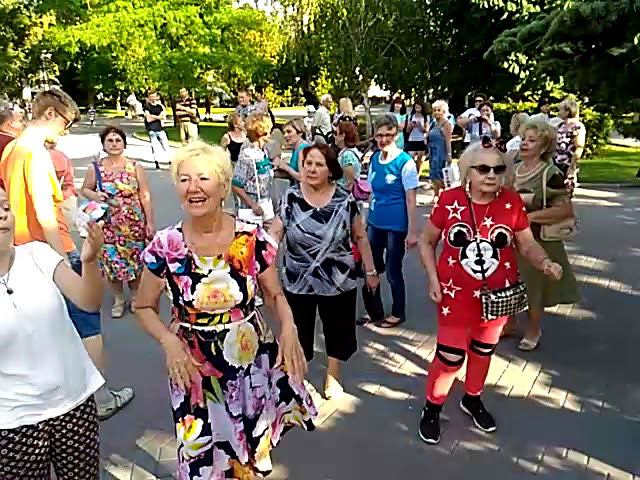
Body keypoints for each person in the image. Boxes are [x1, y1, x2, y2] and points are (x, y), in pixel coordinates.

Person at [134, 141, 316, 479]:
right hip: (194, 366)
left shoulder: (250, 237)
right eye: (184, 179)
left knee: (252, 441)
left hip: (251, 358)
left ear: (223, 186)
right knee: (203, 454)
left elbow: (274, 294)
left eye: (203, 178)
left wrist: (289, 326)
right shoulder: (165, 245)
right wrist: (168, 341)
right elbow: (143, 306)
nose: (193, 187)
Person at [418, 138, 564, 444]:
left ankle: (472, 397)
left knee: (483, 350)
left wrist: (545, 262)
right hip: (455, 296)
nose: (491, 175)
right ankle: (432, 406)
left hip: (497, 296)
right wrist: (432, 278)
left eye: (498, 169)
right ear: (467, 171)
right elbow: (427, 241)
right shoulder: (450, 199)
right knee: (450, 357)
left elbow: (526, 243)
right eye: (483, 168)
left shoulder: (511, 202)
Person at [0, 88, 133, 420]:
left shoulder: (11, 149)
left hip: (22, 249)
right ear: (49, 115)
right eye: (65, 123)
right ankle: (100, 398)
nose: (65, 131)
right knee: (88, 323)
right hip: (50, 250)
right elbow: (44, 210)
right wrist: (61, 261)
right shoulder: (35, 152)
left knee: (54, 327)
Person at [0, 188, 106, 478]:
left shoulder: (38, 254)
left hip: (74, 405)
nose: (3, 215)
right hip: (12, 421)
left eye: (5, 207)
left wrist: (90, 261)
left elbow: (89, 301)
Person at [270, 144, 379, 398]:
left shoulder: (344, 199)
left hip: (338, 279)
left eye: (319, 164)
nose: (311, 169)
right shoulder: (291, 197)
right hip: (298, 279)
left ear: (330, 170)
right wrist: (263, 263)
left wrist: (371, 270)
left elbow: (359, 236)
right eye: (308, 163)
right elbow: (276, 232)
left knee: (338, 329)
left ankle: (333, 375)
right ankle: (297, 374)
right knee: (297, 329)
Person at [513, 121, 580, 350]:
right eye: (523, 138)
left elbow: (565, 210)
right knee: (509, 282)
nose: (524, 143)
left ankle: (533, 330)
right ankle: (510, 324)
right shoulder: (513, 170)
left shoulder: (550, 174)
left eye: (531, 140)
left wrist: (530, 217)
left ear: (543, 147)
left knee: (534, 287)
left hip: (539, 239)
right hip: (511, 238)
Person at [81, 126, 155, 318]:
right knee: (111, 262)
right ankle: (119, 299)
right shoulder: (96, 168)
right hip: (108, 225)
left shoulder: (135, 166)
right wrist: (95, 196)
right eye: (110, 140)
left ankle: (136, 295)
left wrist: (149, 222)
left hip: (133, 224)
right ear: (103, 145)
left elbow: (144, 195)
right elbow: (85, 189)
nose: (114, 144)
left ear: (124, 144)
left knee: (135, 261)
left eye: (117, 140)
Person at [361, 114, 419, 328]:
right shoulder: (375, 159)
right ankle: (374, 311)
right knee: (371, 268)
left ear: (396, 135)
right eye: (379, 135)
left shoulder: (405, 162)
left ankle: (397, 312)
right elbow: (371, 193)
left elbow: (411, 199)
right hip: (375, 222)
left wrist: (412, 231)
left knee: (393, 270)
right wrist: (366, 221)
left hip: (396, 226)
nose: (383, 139)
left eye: (388, 135)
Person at [232, 113, 275, 226]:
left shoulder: (264, 152)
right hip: (252, 208)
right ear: (260, 133)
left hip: (266, 204)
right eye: (267, 132)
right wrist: (252, 205)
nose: (270, 135)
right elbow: (236, 185)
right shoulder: (247, 155)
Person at [552, 96, 586, 191]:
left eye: (561, 110)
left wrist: (572, 166)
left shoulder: (577, 126)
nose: (558, 112)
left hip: (567, 164)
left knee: (566, 192)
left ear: (567, 111)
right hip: (555, 164)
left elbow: (579, 147)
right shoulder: (560, 125)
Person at [427, 100, 453, 200]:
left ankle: (446, 195)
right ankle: (436, 195)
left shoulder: (446, 124)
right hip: (432, 152)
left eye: (439, 110)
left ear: (444, 111)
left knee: (440, 175)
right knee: (433, 174)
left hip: (441, 152)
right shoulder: (433, 123)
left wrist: (449, 155)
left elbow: (448, 140)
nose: (436, 112)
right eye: (434, 110)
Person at [274, 118, 310, 184]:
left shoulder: (304, 149)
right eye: (284, 133)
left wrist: (286, 167)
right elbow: (294, 172)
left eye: (289, 132)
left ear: (300, 133)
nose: (285, 135)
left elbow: (302, 178)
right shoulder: (296, 148)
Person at [144, 90, 170, 169]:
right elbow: (148, 119)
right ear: (149, 97)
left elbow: (163, 117)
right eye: (152, 96)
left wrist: (153, 116)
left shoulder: (159, 106)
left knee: (166, 146)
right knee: (155, 147)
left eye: (155, 96)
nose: (153, 98)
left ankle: (170, 161)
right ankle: (157, 162)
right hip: (152, 130)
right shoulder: (147, 106)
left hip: (160, 129)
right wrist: (158, 117)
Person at [335, 119, 362, 191]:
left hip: (344, 194)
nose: (334, 136)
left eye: (336, 133)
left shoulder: (347, 155)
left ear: (342, 135)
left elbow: (350, 181)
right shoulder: (348, 152)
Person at [405, 100, 428, 175]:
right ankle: (410, 174)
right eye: (416, 107)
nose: (417, 109)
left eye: (419, 107)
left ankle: (417, 175)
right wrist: (411, 126)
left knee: (419, 160)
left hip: (421, 140)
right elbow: (407, 130)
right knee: (410, 159)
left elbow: (426, 130)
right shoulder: (411, 116)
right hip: (412, 139)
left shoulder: (425, 117)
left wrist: (420, 126)